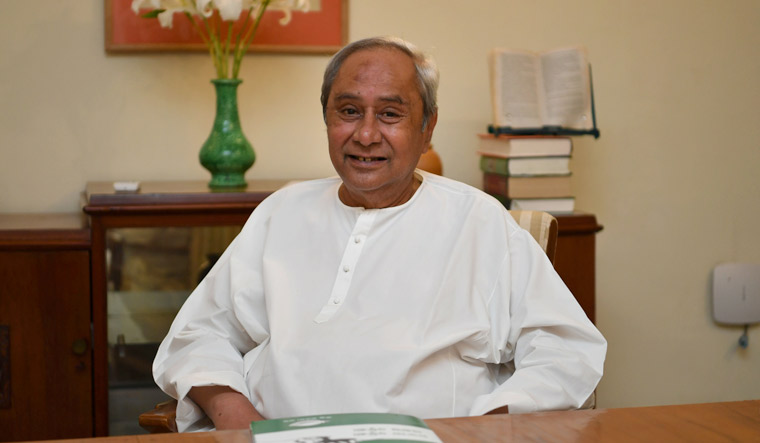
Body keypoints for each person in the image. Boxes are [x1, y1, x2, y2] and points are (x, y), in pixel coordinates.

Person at [153, 36, 607, 432]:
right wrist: (238, 418)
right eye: (349, 111)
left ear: (427, 128)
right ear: (327, 118)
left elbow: (565, 352)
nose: (366, 135)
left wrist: (482, 427)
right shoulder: (282, 211)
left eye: (390, 114)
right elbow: (200, 334)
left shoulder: (480, 222)